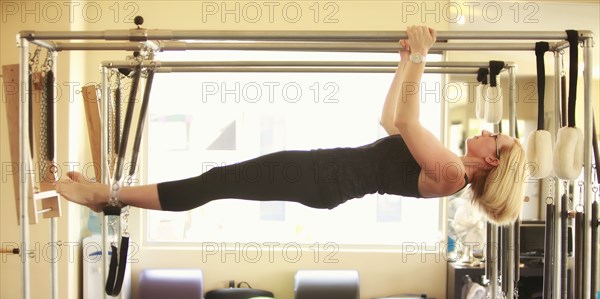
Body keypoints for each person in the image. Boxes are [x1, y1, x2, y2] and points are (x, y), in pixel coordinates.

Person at [56, 26, 526, 225]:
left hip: (324, 178)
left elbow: (406, 117)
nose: (487, 130)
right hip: (322, 173)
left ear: (490, 159)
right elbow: (391, 121)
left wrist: (422, 55)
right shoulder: (446, 164)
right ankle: (109, 199)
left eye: (495, 137)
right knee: (218, 181)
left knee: (217, 181)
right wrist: (404, 62)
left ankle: (107, 197)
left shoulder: (449, 171)